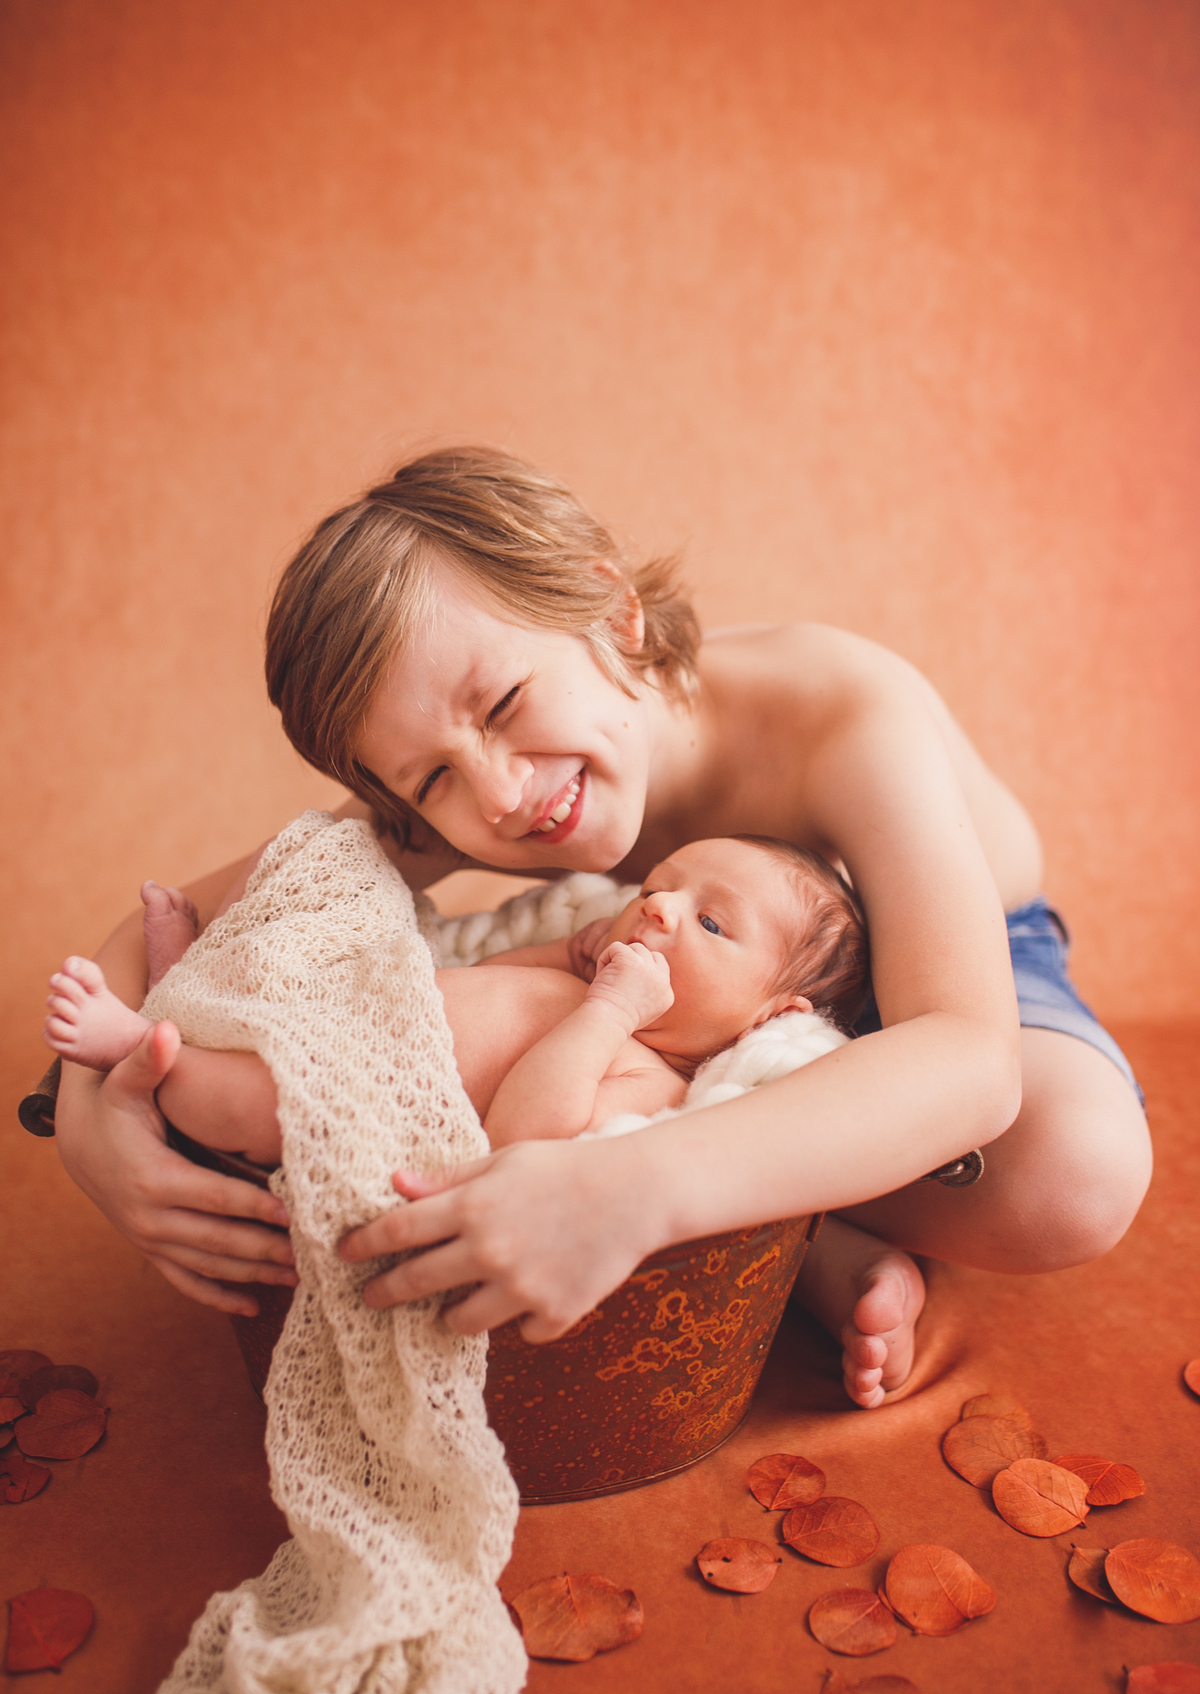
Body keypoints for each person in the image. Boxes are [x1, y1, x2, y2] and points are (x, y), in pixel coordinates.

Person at [51, 447, 1152, 1412]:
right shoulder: (473, 786)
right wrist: (90, 1130)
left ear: (609, 611)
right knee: (250, 1068)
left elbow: (966, 1057)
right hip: (657, 1030)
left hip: (935, 972)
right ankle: (788, 1229)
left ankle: (761, 1231)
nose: (500, 796)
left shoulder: (840, 714)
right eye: (432, 778)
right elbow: (176, 933)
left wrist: (630, 1187)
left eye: (504, 705)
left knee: (1073, 1169)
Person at [44, 833, 867, 1160]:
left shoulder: (656, 1080)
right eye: (659, 886)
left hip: (363, 1090)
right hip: (373, 1000)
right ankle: (191, 978)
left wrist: (611, 1011)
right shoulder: (588, 976)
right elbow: (498, 978)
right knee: (314, 924)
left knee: (257, 1097)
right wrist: (569, 956)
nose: (660, 907)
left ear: (769, 1018)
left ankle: (143, 1044)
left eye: (712, 925)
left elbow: (528, 1131)